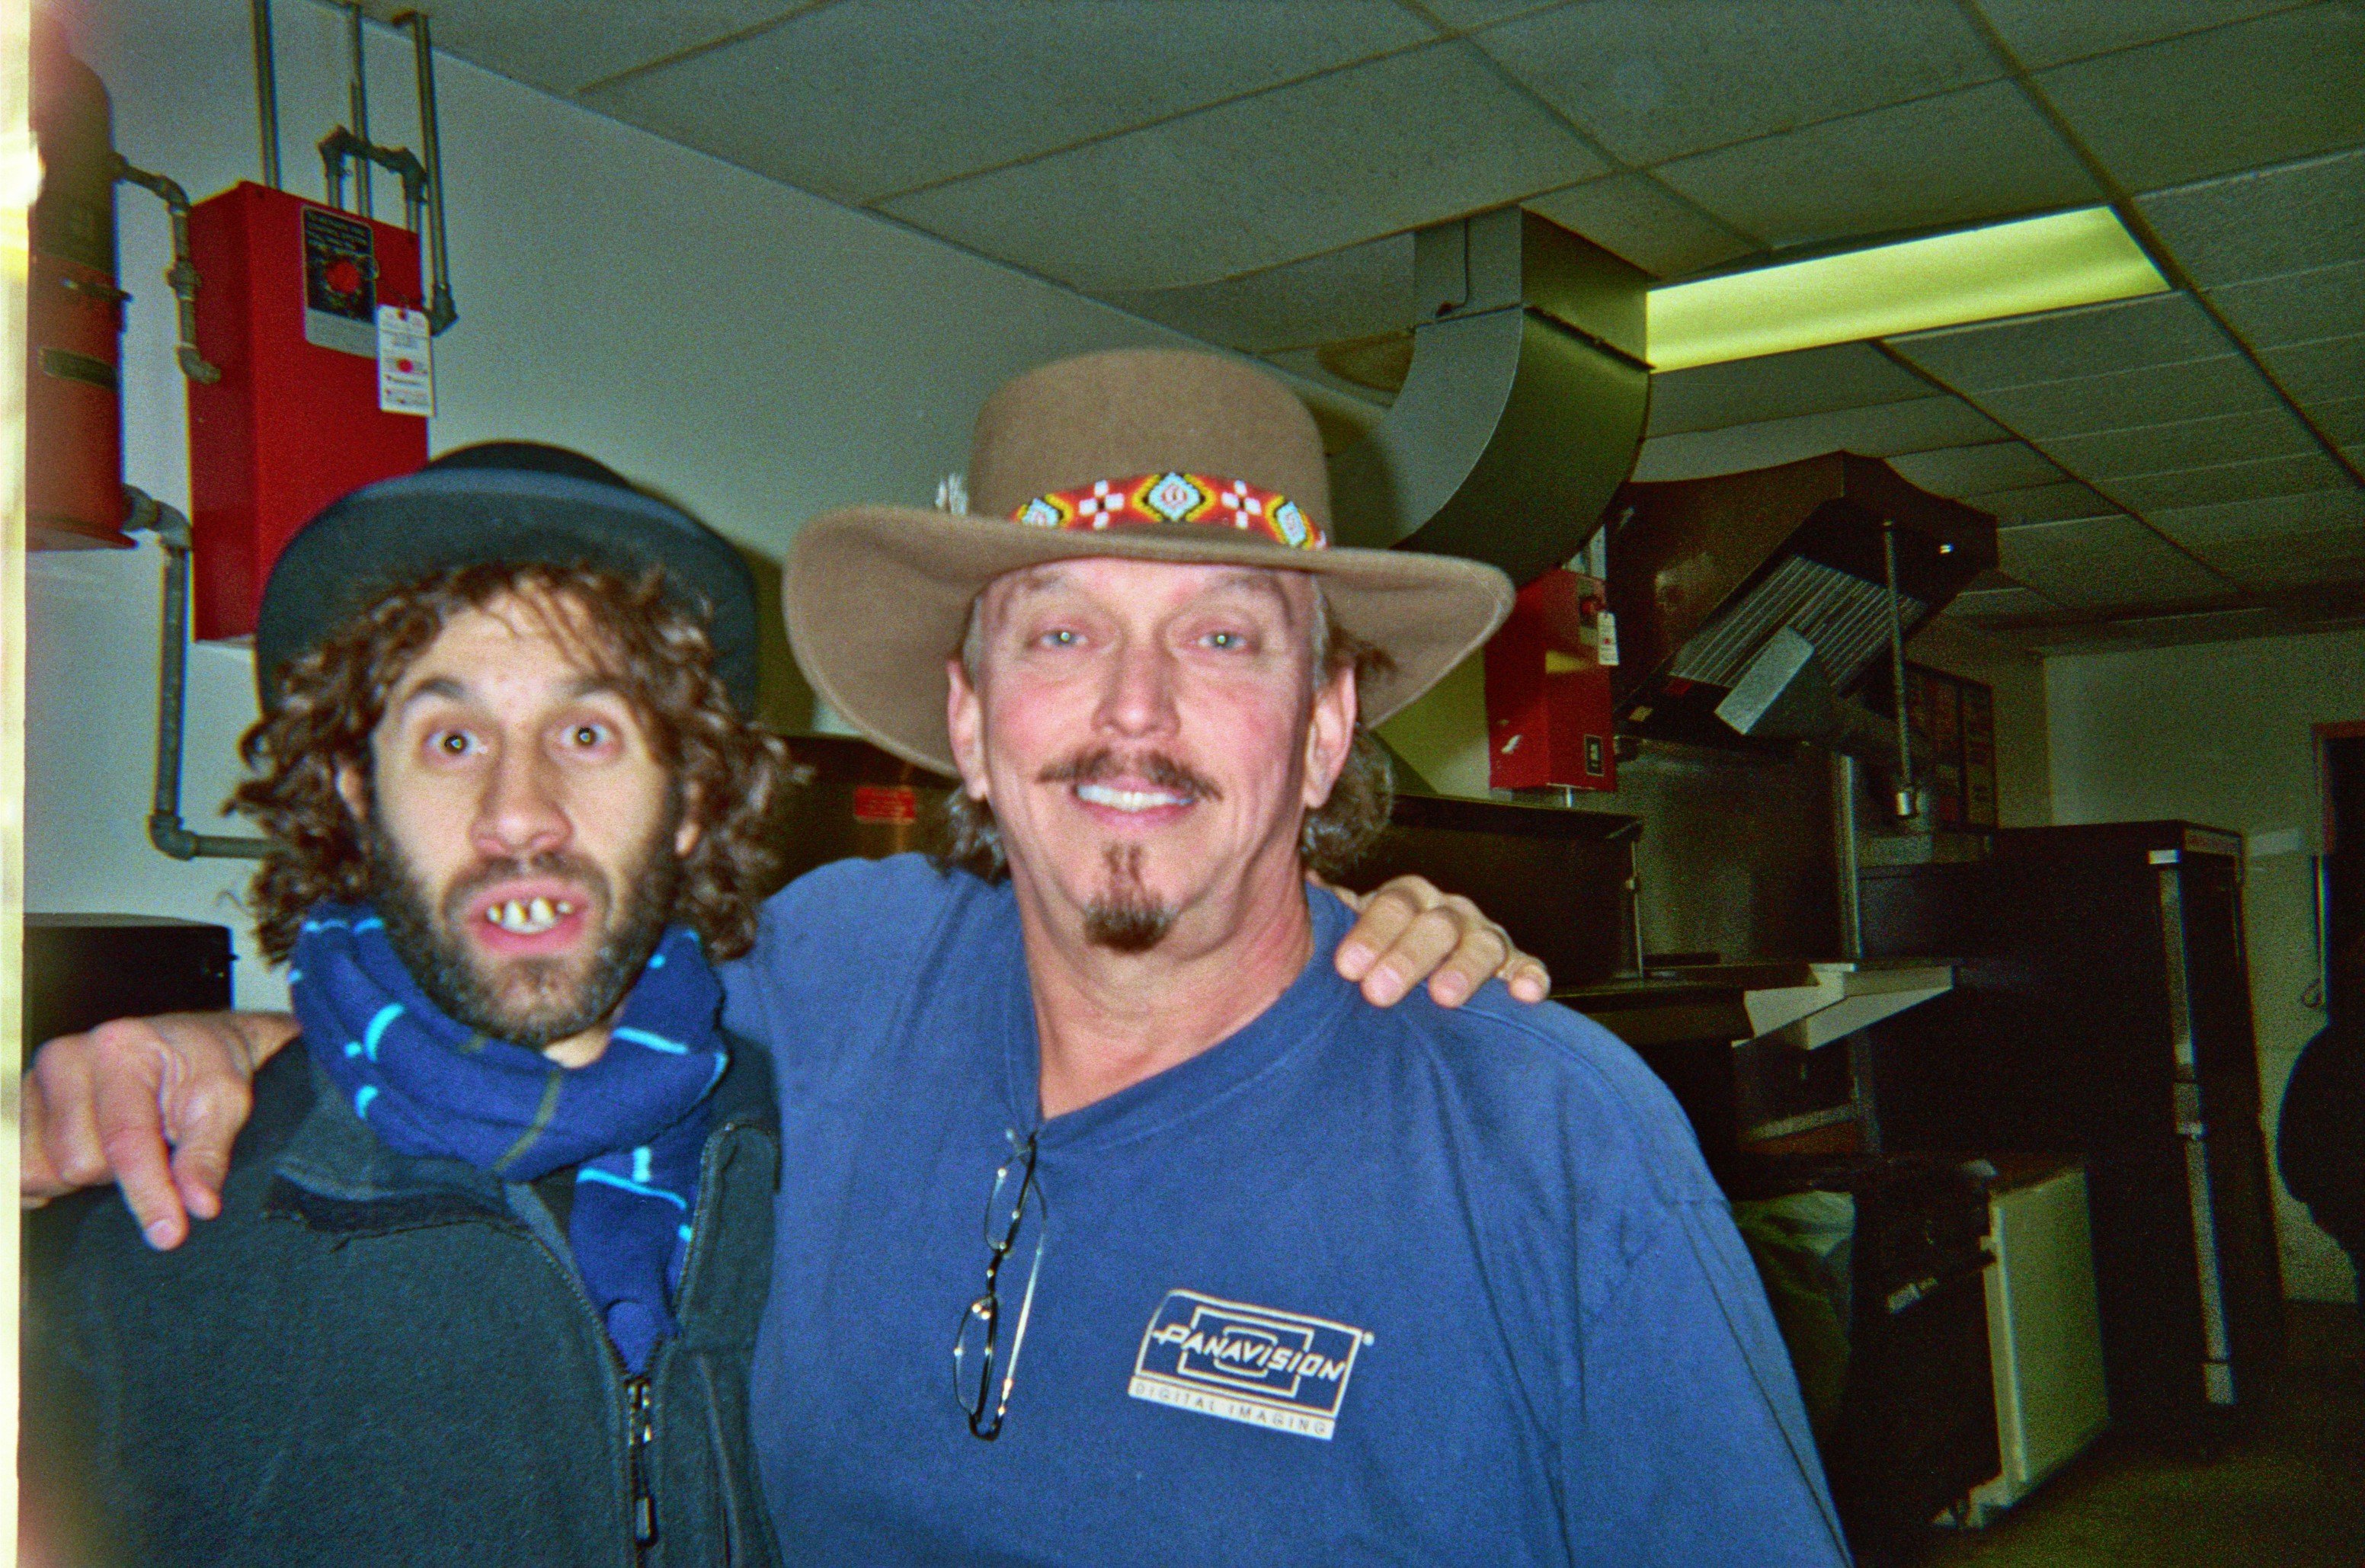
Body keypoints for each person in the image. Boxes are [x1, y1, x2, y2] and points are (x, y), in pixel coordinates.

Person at [19, 439, 1536, 1567]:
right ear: (352, 800)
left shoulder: (825, 1120)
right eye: (449, 742)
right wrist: (237, 1050)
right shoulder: (133, 1242)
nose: (522, 816)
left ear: (690, 810)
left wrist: (1354, 945)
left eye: (595, 737)